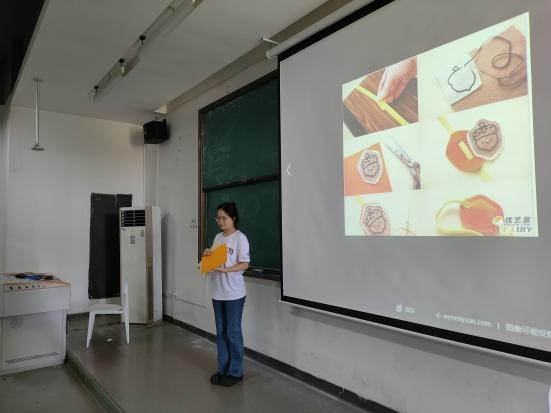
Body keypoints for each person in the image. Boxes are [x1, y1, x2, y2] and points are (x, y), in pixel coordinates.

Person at [203, 202, 250, 387]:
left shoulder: (240, 238)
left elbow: (244, 264)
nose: (221, 221)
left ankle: (235, 371)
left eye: (224, 218)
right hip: (218, 291)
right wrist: (207, 255)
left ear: (233, 218)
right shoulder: (217, 237)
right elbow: (215, 260)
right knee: (221, 331)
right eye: (218, 218)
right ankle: (222, 368)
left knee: (232, 331)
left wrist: (226, 270)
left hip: (234, 293)